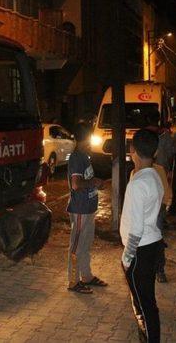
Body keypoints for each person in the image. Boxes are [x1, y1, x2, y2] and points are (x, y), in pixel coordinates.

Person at [121, 129, 164, 343]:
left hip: (140, 250)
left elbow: (136, 229)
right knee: (147, 301)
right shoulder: (155, 175)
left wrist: (127, 258)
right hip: (153, 244)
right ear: (155, 151)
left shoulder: (137, 184)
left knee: (143, 305)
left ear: (132, 151)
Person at [66, 123, 106, 294]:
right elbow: (76, 184)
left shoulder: (84, 156)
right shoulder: (77, 158)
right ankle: (73, 282)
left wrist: (94, 184)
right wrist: (94, 182)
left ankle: (86, 276)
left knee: (85, 244)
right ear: (85, 138)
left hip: (88, 208)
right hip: (80, 209)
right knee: (76, 246)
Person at [141, 110, 172, 283]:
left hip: (152, 213)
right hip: (154, 212)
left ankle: (158, 269)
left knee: (155, 240)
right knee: (155, 240)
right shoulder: (158, 170)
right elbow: (168, 196)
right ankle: (157, 269)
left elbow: (167, 195)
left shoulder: (148, 171)